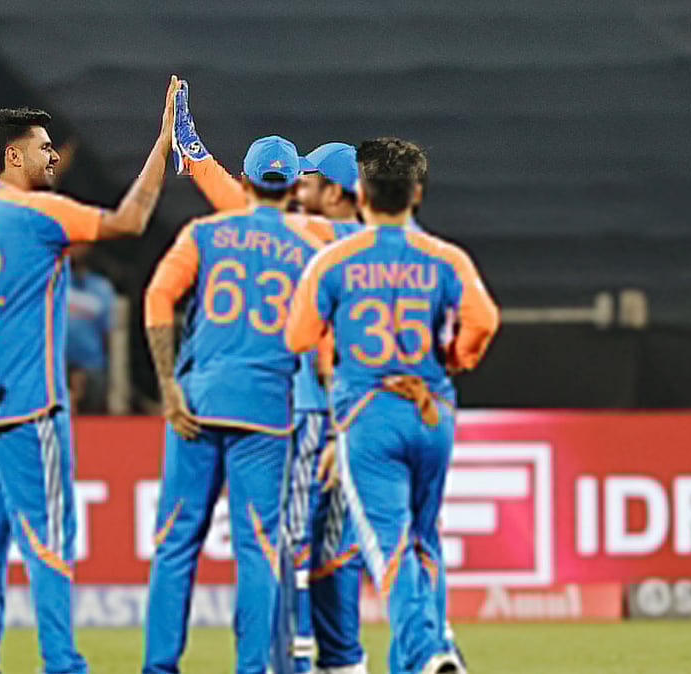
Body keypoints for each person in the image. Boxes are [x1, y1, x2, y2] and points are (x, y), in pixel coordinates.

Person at [0, 76, 179, 674]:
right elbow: (129, 221)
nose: (53, 157)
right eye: (44, 147)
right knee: (49, 536)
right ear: (13, 155)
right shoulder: (37, 211)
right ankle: (62, 663)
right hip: (30, 404)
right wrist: (162, 145)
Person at [170, 81, 367, 673]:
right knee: (340, 549)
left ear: (335, 192)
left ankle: (299, 659)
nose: (296, 189)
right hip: (357, 416)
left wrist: (191, 149)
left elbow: (235, 200)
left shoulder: (316, 240)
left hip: (309, 413)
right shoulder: (374, 246)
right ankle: (345, 660)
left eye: (307, 180)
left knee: (291, 543)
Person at [285, 137, 500, 674]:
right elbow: (484, 320)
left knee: (390, 545)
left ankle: (429, 652)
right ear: (417, 194)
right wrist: (454, 359)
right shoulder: (446, 257)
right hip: (431, 410)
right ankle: (421, 655)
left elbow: (297, 336)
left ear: (361, 194)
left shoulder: (336, 259)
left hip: (369, 413)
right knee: (427, 539)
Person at [142, 134, 332, 674]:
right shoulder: (312, 249)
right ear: (293, 188)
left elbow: (158, 295)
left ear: (245, 182)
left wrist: (167, 384)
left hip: (197, 403)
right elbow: (323, 345)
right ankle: (252, 668)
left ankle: (159, 667)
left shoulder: (203, 233)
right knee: (257, 548)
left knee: (175, 542)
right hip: (266, 411)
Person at [65, 243, 114, 413]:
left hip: (92, 366)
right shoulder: (51, 286)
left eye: (81, 244)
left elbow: (108, 333)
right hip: (56, 367)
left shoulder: (101, 287)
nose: (77, 250)